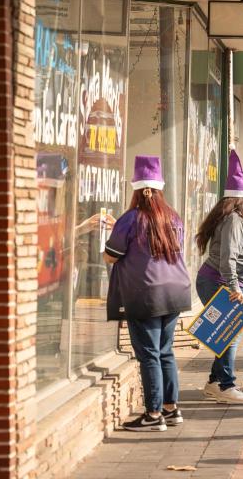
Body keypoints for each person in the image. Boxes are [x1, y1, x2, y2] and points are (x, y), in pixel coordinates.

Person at [104, 155, 192, 431]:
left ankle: (153, 414)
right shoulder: (173, 217)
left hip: (146, 294)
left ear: (137, 190)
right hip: (176, 291)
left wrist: (113, 232)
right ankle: (171, 408)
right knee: (165, 351)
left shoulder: (130, 219)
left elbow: (111, 255)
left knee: (149, 354)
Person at [194, 150, 243, 405]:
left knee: (226, 332)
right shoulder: (234, 220)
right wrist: (234, 287)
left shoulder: (238, 219)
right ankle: (226, 385)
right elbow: (228, 257)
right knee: (229, 334)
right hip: (222, 282)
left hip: (226, 282)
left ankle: (215, 382)